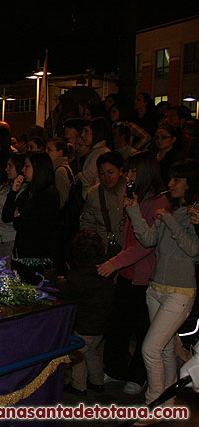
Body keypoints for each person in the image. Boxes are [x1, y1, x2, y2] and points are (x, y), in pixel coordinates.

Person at [124, 159, 199, 407]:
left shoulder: (191, 215)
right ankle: (167, 404)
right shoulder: (171, 211)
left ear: (190, 184)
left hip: (180, 291)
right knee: (164, 349)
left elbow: (193, 251)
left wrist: (169, 220)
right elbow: (147, 239)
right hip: (156, 288)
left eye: (177, 180)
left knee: (150, 348)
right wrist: (134, 210)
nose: (170, 184)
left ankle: (153, 404)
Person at [97, 150, 169, 395]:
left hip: (145, 277)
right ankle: (116, 369)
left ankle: (139, 377)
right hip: (128, 273)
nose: (128, 176)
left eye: (132, 171)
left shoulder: (158, 203)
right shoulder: (135, 198)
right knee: (118, 324)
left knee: (143, 329)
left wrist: (115, 263)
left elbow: (146, 244)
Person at [59, 230, 114, 395]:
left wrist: (61, 282)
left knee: (77, 354)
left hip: (85, 324)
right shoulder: (105, 269)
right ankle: (97, 381)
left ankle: (78, 385)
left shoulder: (78, 275)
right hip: (102, 322)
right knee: (91, 352)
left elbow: (69, 293)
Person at [2, 152, 60, 285]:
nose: (23, 170)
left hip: (37, 258)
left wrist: (19, 219)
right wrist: (13, 192)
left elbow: (33, 226)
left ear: (38, 168)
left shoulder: (49, 195)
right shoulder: (27, 193)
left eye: (27, 166)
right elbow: (6, 216)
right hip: (20, 255)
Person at [80, 151, 126, 255]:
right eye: (102, 173)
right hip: (103, 250)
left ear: (121, 171)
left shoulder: (131, 190)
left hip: (128, 249)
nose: (106, 177)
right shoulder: (93, 194)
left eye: (110, 172)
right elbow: (87, 223)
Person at [0, 153, 27, 268]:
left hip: (11, 238)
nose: (6, 169)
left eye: (10, 166)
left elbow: (8, 217)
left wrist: (5, 212)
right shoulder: (4, 187)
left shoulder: (24, 191)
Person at [78, 117, 111, 197]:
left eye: (86, 131)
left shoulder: (99, 153)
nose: (83, 135)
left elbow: (85, 178)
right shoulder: (97, 152)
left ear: (96, 132)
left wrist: (79, 176)